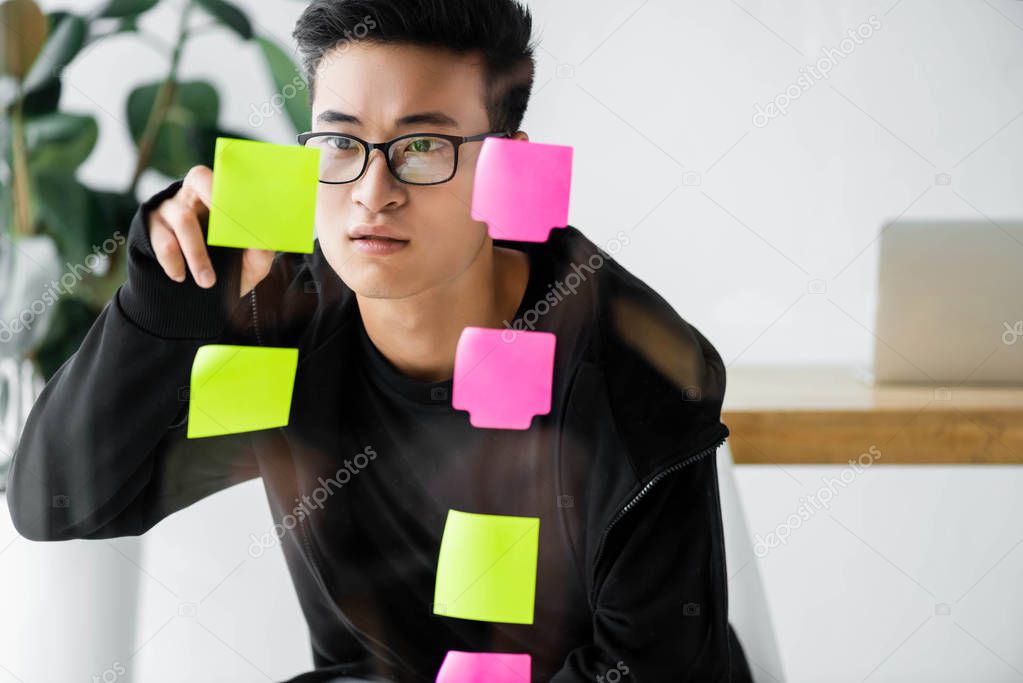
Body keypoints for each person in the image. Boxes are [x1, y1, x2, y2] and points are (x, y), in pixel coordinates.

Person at [6, 0, 751, 680]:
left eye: (422, 145)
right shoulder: (283, 325)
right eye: (341, 140)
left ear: (507, 162)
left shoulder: (630, 370)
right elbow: (58, 504)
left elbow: (660, 672)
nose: (371, 191)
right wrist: (164, 301)